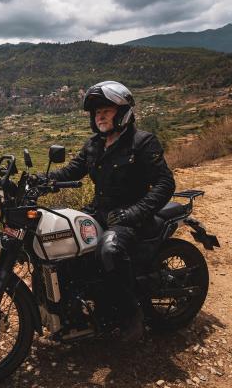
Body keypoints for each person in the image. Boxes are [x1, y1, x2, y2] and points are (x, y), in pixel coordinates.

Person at [47, 80, 176, 342]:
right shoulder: (95, 145)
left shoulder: (142, 142)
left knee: (110, 249)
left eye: (106, 110)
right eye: (97, 112)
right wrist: (41, 181)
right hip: (100, 212)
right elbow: (72, 171)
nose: (100, 116)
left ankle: (131, 316)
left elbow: (165, 183)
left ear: (123, 111)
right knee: (64, 238)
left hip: (132, 217)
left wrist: (135, 212)